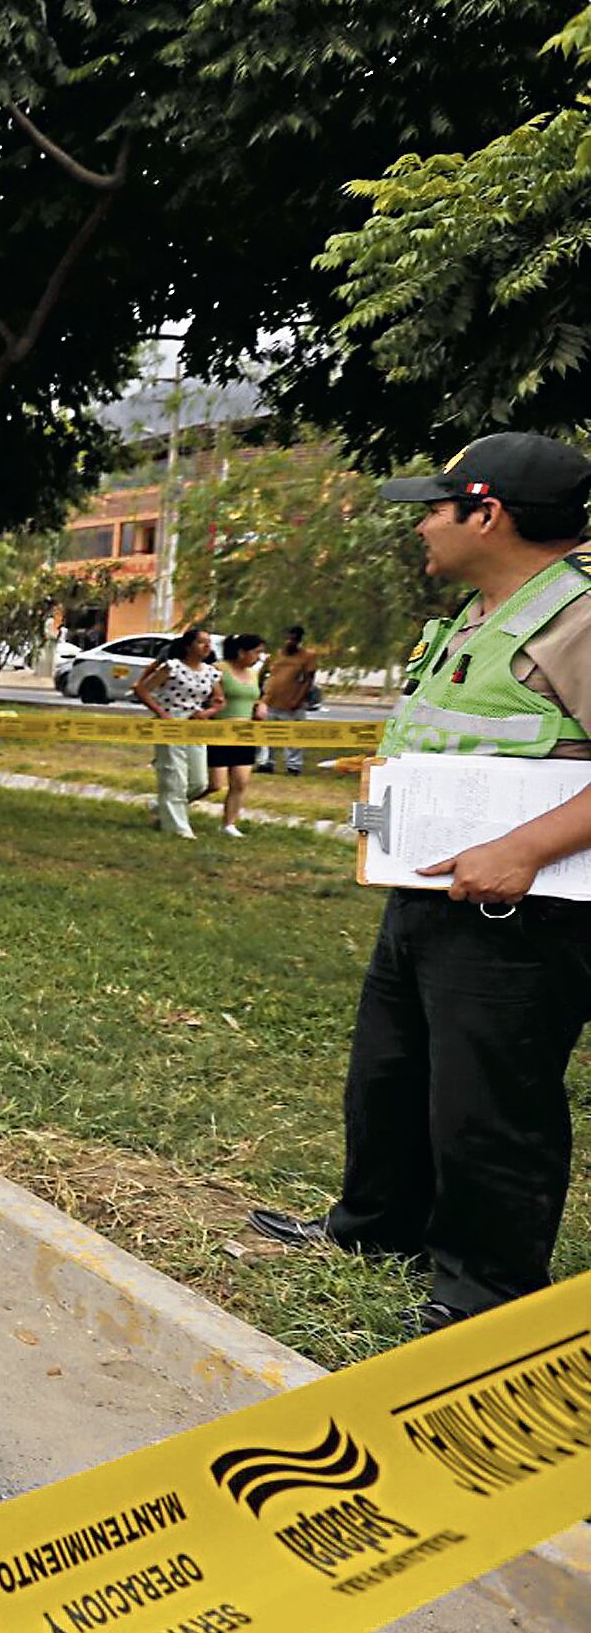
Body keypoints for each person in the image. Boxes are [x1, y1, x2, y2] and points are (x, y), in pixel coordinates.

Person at [251, 432, 591, 1334]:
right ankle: (374, 1230)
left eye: (436, 511)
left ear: (490, 514)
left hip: (526, 914)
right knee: (391, 1077)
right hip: (426, 895)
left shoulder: (580, 618)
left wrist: (523, 849)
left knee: (491, 1102)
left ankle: (485, 1292)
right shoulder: (478, 615)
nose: (422, 530)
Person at [132, 628, 220, 839]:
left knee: (200, 781)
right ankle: (178, 827)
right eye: (201, 642)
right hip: (172, 721)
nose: (207, 647)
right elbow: (142, 689)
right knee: (174, 775)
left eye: (209, 643)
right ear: (189, 645)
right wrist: (161, 713)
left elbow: (219, 700)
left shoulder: (211, 672)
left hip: (195, 724)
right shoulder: (172, 667)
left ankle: (160, 805)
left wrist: (207, 712)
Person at [203, 633, 269, 837]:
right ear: (242, 652)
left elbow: (255, 697)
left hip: (245, 733)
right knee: (215, 784)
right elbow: (207, 696)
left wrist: (260, 705)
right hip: (220, 731)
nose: (259, 657)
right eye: (256, 652)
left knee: (240, 781)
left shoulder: (253, 673)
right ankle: (176, 803)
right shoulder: (218, 669)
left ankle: (229, 824)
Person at [258, 626, 320, 775]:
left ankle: (293, 765)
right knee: (267, 734)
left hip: (293, 703)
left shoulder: (307, 656)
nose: (290, 642)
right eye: (288, 638)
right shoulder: (275, 655)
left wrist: (298, 699)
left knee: (294, 735)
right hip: (271, 700)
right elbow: (262, 673)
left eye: (294, 639)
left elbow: (308, 680)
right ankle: (267, 762)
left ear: (299, 640)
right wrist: (261, 695)